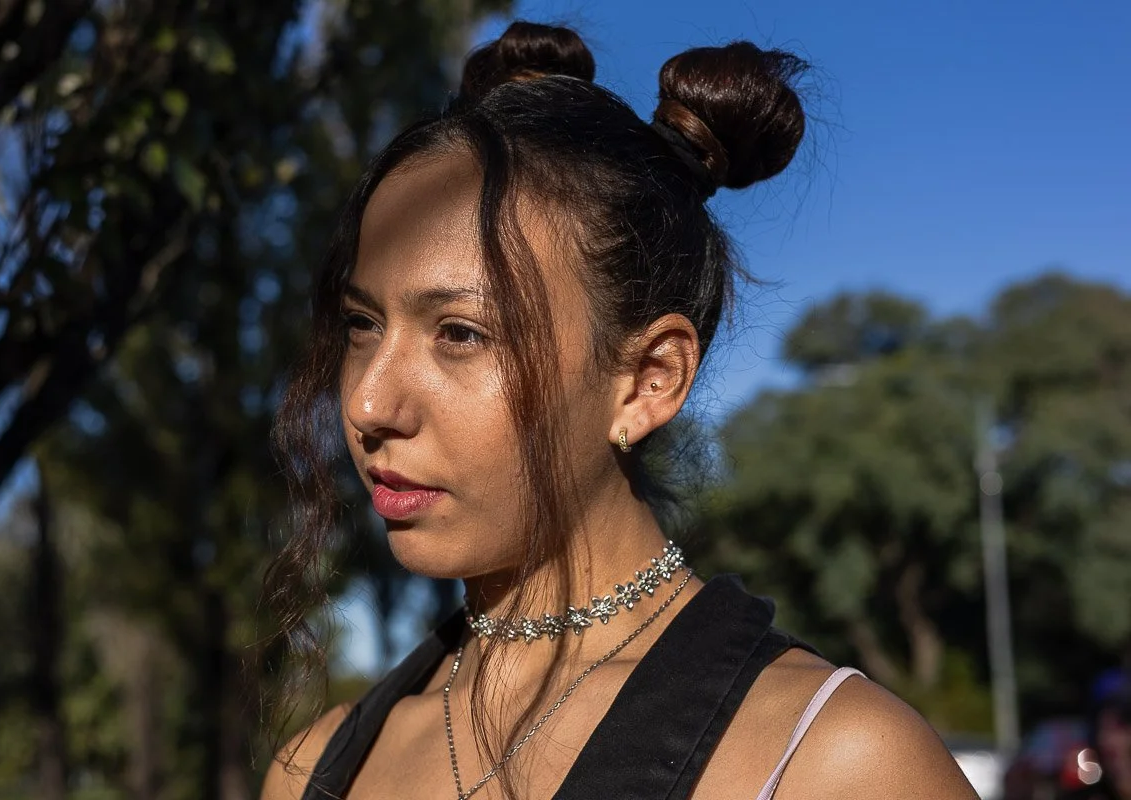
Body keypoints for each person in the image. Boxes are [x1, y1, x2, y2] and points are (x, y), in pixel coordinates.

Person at [261, 20, 979, 800]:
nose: (367, 403)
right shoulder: (315, 768)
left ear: (647, 381)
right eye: (364, 324)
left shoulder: (832, 761)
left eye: (461, 333)